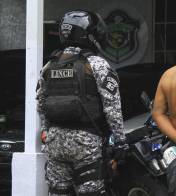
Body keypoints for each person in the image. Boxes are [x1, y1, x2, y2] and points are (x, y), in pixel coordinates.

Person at [37, 10, 125, 196]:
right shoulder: (97, 64)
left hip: (55, 142)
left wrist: (48, 135)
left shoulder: (49, 65)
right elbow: (112, 108)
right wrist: (120, 143)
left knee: (58, 192)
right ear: (88, 34)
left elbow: (41, 105)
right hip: (86, 144)